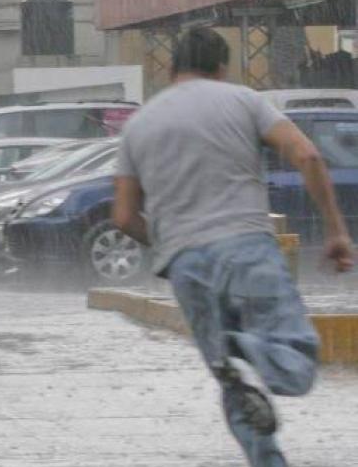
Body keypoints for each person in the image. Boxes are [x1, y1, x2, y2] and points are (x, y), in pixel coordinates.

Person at [113, 28, 354, 467]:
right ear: (221, 67)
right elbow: (308, 156)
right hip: (246, 247)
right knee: (296, 355)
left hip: (186, 266)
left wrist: (171, 245)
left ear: (172, 69)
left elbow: (124, 216)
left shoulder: (139, 125)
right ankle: (247, 351)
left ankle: (261, 442)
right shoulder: (244, 100)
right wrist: (336, 230)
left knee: (236, 387)